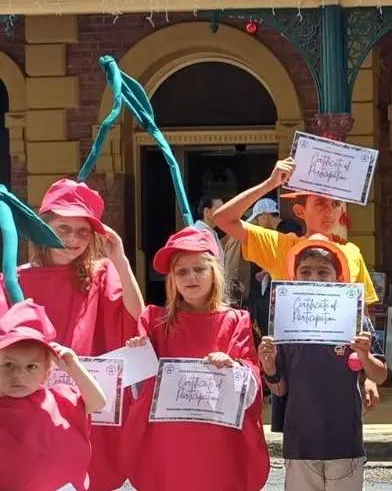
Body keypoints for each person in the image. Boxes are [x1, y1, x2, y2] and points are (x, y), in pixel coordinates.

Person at [212, 157, 383, 416]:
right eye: (320, 204)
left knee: (343, 444)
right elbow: (223, 219)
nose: (329, 211)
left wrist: (369, 375)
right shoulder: (282, 245)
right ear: (300, 211)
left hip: (340, 369)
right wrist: (269, 184)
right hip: (294, 368)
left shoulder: (352, 251)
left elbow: (364, 316)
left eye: (335, 204)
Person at [119, 226, 270, 490]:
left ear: (214, 272)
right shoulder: (154, 321)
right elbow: (138, 392)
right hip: (169, 442)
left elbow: (252, 381)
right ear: (172, 280)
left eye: (199, 269)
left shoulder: (236, 320)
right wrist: (138, 356)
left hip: (217, 440)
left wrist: (233, 367)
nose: (191, 277)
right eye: (182, 271)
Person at [18, 178, 143, 491]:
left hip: (82, 401)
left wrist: (120, 259)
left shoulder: (100, 272)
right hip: (30, 404)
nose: (73, 239)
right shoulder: (15, 280)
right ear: (42, 227)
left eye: (83, 231)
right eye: (63, 228)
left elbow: (136, 316)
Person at [258, 236, 387, 490]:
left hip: (344, 440)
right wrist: (270, 367)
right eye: (305, 272)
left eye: (323, 272)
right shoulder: (284, 325)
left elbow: (381, 375)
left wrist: (366, 358)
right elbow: (280, 389)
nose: (314, 278)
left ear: (338, 279)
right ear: (294, 277)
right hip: (300, 442)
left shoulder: (355, 319)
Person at [0, 300, 107, 491]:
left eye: (31, 367)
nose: (19, 375)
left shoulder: (60, 399)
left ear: (47, 373)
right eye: (8, 365)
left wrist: (74, 368)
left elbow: (98, 402)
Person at [223, 197, 280, 338]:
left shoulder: (260, 235)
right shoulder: (242, 236)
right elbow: (234, 267)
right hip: (242, 296)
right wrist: (236, 294)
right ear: (264, 216)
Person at [191, 195, 225, 262]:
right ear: (206, 211)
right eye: (219, 209)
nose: (223, 213)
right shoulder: (199, 233)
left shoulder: (211, 231)